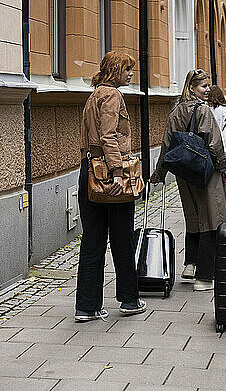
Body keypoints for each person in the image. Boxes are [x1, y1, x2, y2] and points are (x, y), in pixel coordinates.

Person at [76, 50, 146, 322]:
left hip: (90, 171)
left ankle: (87, 306)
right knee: (122, 238)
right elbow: (108, 135)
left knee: (92, 240)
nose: (131, 73)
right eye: (127, 69)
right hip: (110, 172)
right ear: (115, 70)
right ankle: (129, 300)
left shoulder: (94, 95)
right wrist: (118, 172)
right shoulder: (113, 95)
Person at [150, 69, 226, 291]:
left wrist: (159, 174)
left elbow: (166, 144)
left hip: (184, 171)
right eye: (204, 86)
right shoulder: (203, 110)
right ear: (192, 87)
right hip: (204, 170)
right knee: (211, 219)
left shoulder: (175, 111)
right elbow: (214, 143)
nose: (208, 90)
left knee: (194, 216)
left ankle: (190, 264)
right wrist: (223, 168)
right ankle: (204, 277)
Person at [208, 85, 226, 207]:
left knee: (211, 183)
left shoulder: (205, 109)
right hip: (223, 151)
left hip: (209, 150)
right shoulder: (225, 111)